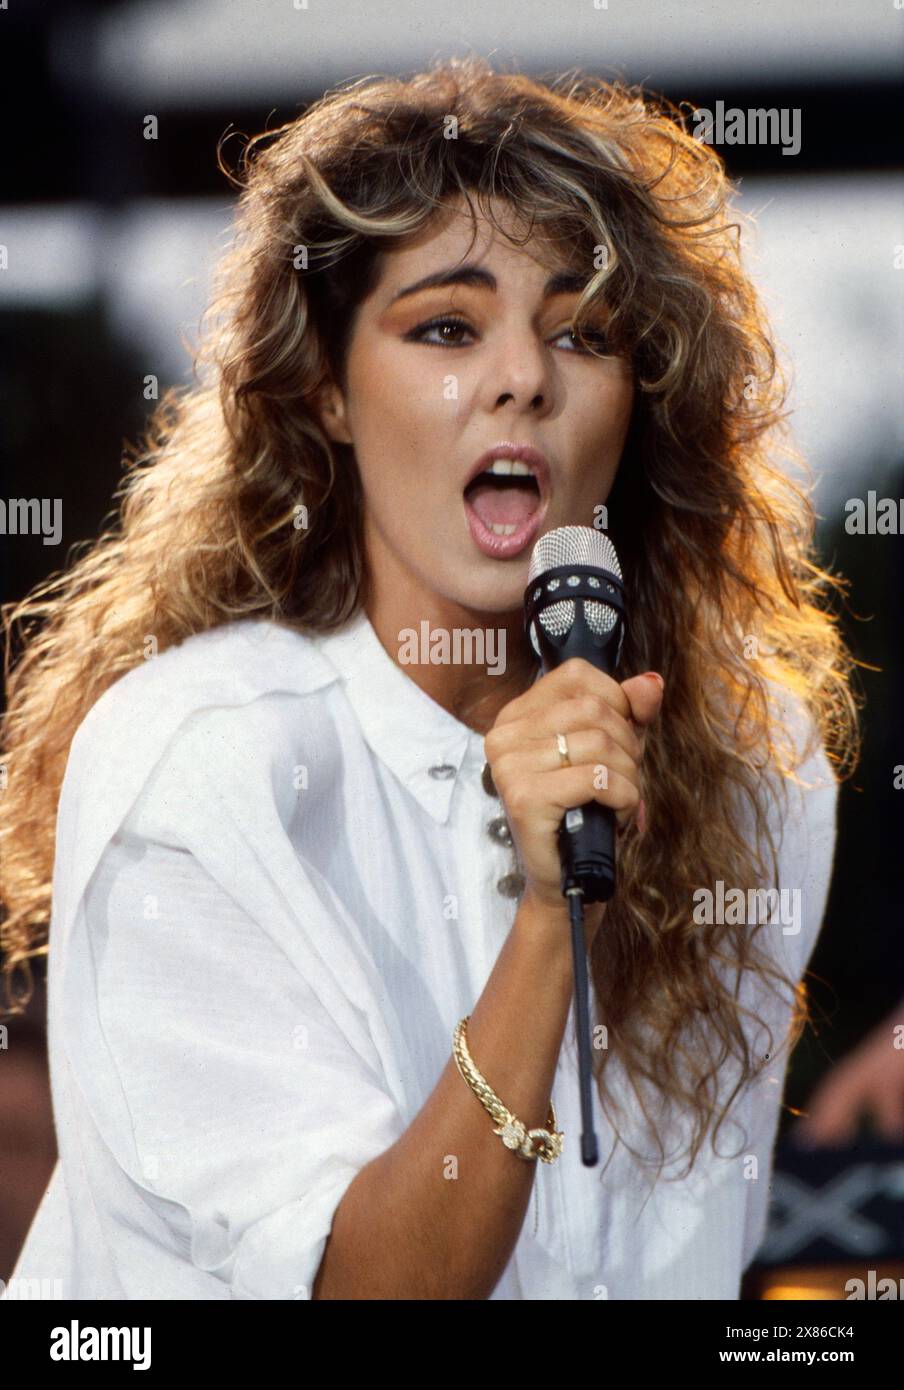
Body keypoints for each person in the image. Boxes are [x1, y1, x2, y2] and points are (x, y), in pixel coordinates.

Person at [0, 57, 859, 1300]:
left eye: (582, 331)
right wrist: (546, 925)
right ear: (326, 393)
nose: (522, 376)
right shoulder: (201, 760)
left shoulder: (751, 767)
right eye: (447, 326)